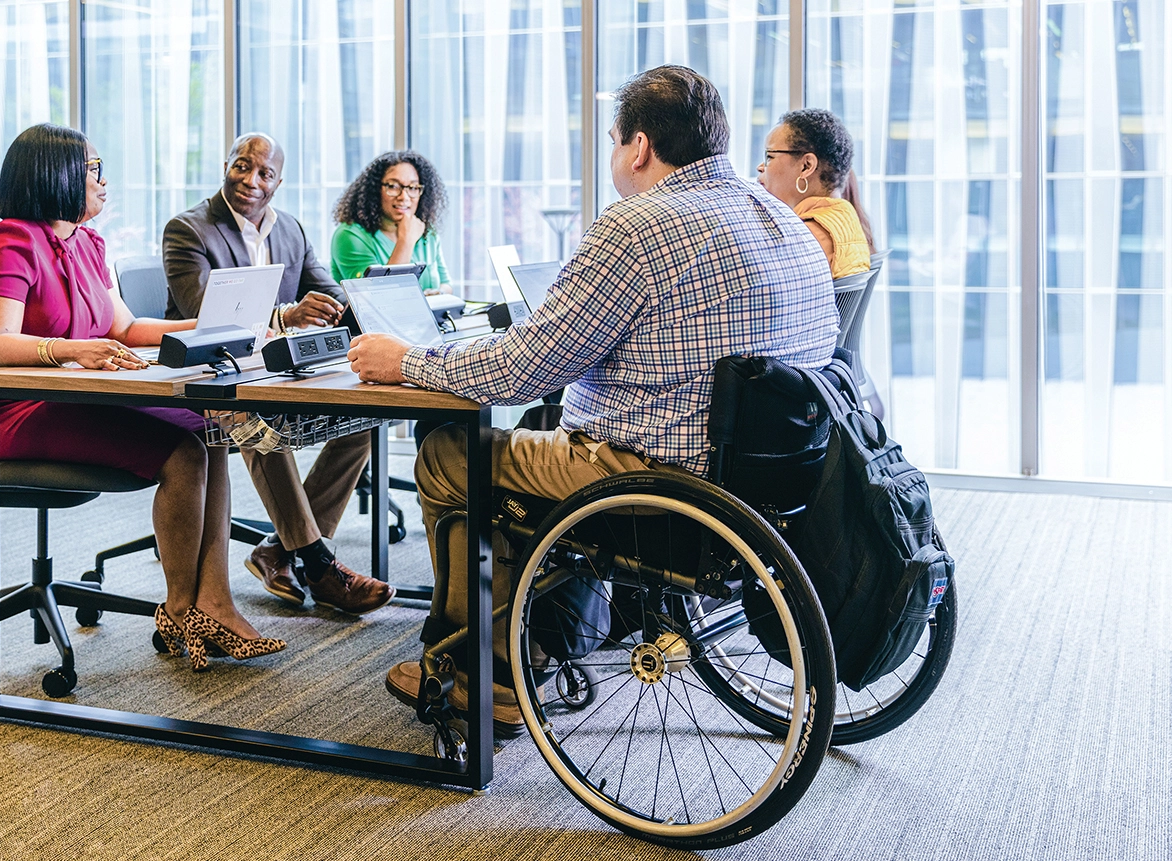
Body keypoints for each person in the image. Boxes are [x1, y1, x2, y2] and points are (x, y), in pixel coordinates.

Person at [347, 66, 840, 727]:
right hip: (766, 480)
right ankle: (547, 636)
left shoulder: (638, 224)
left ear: (637, 146)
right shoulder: (781, 216)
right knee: (541, 424)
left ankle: (482, 671)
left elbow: (521, 369)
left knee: (447, 453)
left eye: (613, 139)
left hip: (660, 480)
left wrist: (405, 360)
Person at [0, 123, 285, 671]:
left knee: (209, 427)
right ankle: (182, 608)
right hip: (15, 409)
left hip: (77, 397)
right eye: (94, 170)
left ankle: (215, 601)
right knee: (181, 452)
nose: (103, 181)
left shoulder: (87, 242)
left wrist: (216, 328)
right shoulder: (10, 241)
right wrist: (72, 350)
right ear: (56, 174)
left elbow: (127, 327)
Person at [163, 132, 395, 616]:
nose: (251, 180)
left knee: (369, 414)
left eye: (264, 173)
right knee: (253, 422)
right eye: (241, 167)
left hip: (278, 371)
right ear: (226, 165)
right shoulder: (189, 229)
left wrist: (372, 306)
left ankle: (279, 549)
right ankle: (317, 562)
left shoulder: (289, 230)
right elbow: (201, 314)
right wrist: (286, 315)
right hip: (211, 379)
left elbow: (330, 294)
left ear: (278, 181)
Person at [756, 108, 874, 278]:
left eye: (770, 156)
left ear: (806, 166)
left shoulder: (806, 237)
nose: (760, 167)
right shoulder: (846, 219)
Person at [330, 150, 452, 295]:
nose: (404, 197)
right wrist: (406, 240)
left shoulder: (428, 232)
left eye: (413, 188)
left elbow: (446, 284)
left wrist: (439, 293)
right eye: (393, 186)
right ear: (375, 189)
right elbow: (380, 298)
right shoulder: (350, 235)